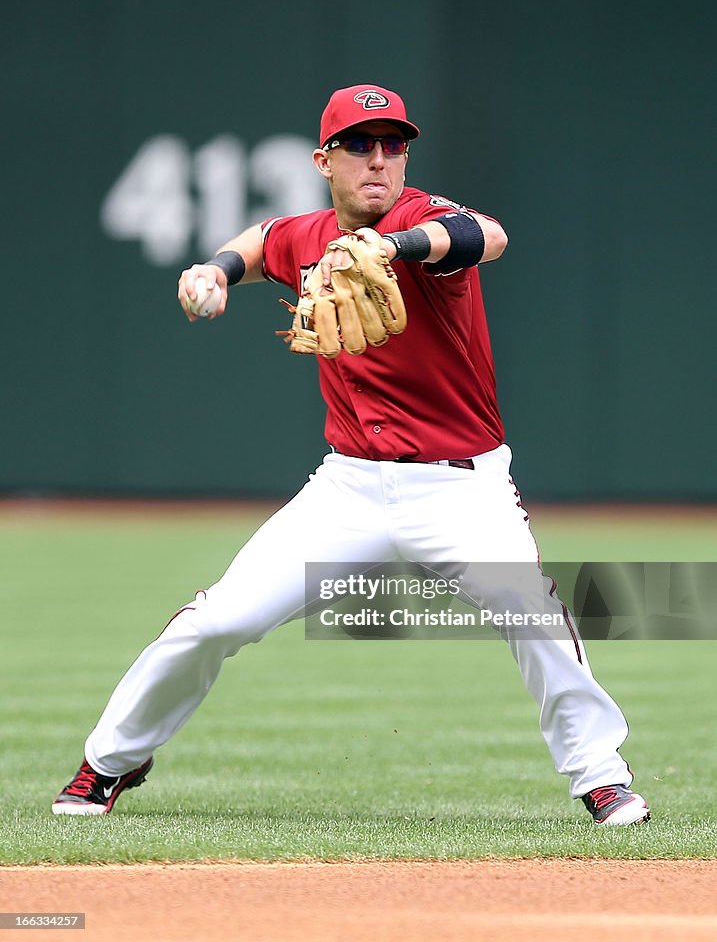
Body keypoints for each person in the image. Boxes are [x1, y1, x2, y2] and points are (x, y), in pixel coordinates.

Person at [53, 83, 650, 827]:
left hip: (458, 488)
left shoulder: (417, 219)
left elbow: (485, 236)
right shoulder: (306, 237)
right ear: (323, 160)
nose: (379, 159)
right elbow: (262, 239)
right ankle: (108, 764)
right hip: (347, 489)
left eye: (393, 144)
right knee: (217, 622)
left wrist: (391, 246)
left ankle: (601, 776)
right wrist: (214, 270)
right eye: (360, 145)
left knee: (531, 610)